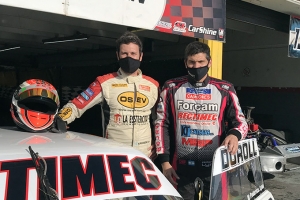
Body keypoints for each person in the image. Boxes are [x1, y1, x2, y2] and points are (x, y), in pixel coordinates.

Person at [155, 41, 248, 200]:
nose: (196, 66)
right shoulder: (171, 87)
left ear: (209, 62)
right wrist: (164, 161)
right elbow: (161, 124)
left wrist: (234, 135)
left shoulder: (225, 89)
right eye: (192, 62)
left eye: (201, 62)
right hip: (180, 166)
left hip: (214, 165)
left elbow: (240, 122)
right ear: (185, 63)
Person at [52, 31, 159, 160]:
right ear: (118, 56)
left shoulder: (153, 85)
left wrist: (158, 145)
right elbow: (77, 105)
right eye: (124, 53)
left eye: (133, 54)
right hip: (114, 154)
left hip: (144, 155)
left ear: (141, 56)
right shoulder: (104, 82)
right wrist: (60, 119)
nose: (128, 57)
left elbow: (159, 120)